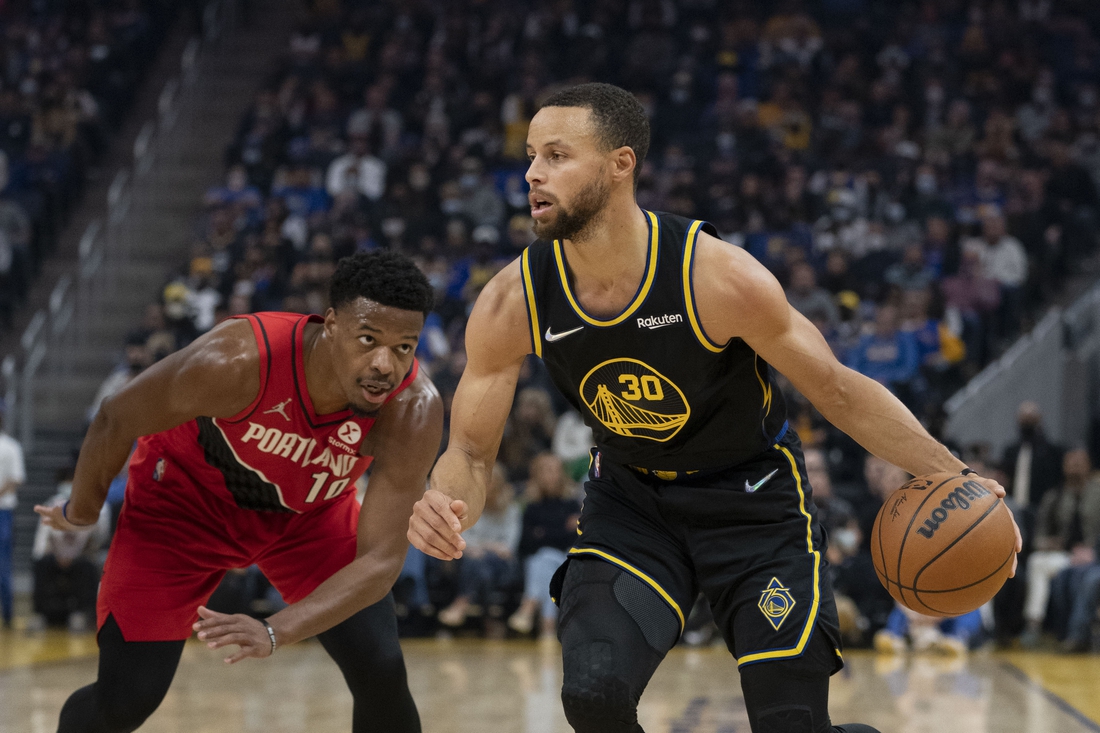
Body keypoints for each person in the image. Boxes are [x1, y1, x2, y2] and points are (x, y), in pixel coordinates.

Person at [409, 83, 1020, 733]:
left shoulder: (718, 277)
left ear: (621, 164)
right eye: (532, 155)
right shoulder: (514, 299)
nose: (532, 171)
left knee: (791, 723)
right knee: (593, 693)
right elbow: (470, 453)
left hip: (753, 501)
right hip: (632, 506)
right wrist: (447, 506)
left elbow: (837, 389)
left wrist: (953, 473)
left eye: (558, 154)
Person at [34, 251, 443, 733]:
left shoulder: (412, 410)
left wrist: (277, 630)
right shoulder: (237, 360)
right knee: (126, 700)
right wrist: (82, 511)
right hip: (183, 509)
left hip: (308, 517)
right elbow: (115, 417)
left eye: (403, 348)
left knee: (381, 668)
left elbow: (379, 562)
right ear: (331, 324)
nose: (384, 366)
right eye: (369, 340)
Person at [1021, 448, 1100, 645]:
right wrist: (1054, 544)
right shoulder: (1054, 496)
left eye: (1080, 462)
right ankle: (1033, 624)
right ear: (1063, 467)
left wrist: (1094, 552)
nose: (1075, 466)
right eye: (1071, 462)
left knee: (1084, 577)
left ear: (1089, 465)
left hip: (1093, 555)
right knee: (1036, 562)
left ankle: (1077, 634)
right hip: (1063, 555)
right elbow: (1037, 539)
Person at [508, 453, 582, 639]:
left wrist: (544, 533)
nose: (551, 475)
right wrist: (562, 529)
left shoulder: (572, 503)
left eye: (555, 471)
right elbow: (526, 542)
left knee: (547, 557)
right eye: (546, 471)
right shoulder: (531, 506)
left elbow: (573, 540)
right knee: (546, 560)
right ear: (537, 475)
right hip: (540, 560)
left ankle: (529, 606)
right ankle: (548, 625)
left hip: (566, 558)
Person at [0, 404, 25, 629]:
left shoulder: (10, 446)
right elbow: (15, 479)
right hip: (3, 511)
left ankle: (7, 613)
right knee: (3, 563)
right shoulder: (11, 446)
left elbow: (15, 479)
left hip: (3, 512)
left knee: (3, 564)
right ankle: (7, 614)